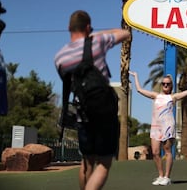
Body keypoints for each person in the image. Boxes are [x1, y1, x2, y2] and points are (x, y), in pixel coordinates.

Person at [54, 10, 130, 190]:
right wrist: (95, 34)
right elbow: (125, 33)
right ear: (88, 27)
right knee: (104, 163)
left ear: (68, 28)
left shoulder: (60, 57)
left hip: (83, 113)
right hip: (104, 112)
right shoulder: (96, 42)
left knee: (87, 162)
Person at [129, 69, 187, 186]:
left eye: (167, 84)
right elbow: (139, 90)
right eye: (163, 83)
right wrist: (135, 76)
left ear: (171, 86)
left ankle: (167, 177)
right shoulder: (156, 96)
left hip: (168, 126)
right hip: (155, 127)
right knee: (155, 152)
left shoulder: (173, 97)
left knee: (167, 151)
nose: (165, 85)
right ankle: (160, 175)